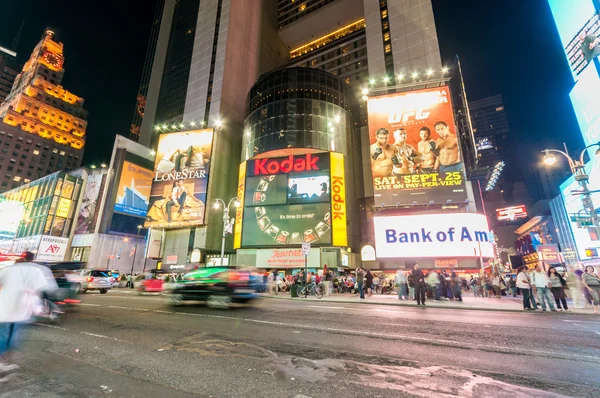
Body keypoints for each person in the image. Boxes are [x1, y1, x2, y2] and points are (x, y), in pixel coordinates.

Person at [0, 252, 56, 368]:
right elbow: (46, 288)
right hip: (20, 310)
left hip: (4, 306)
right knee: (11, 334)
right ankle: (3, 360)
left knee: (4, 333)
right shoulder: (36, 271)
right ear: (33, 259)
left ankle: (2, 361)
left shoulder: (8, 269)